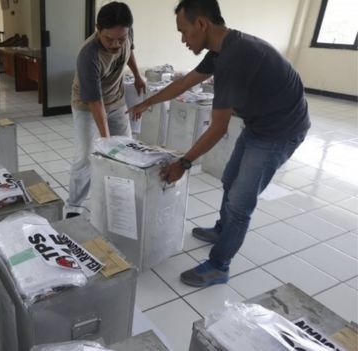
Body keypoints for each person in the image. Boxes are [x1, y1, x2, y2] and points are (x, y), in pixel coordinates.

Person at [128, 0, 310, 287]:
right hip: (259, 123)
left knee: (240, 202)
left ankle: (219, 265)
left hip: (280, 131)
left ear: (202, 24)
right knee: (230, 179)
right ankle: (223, 229)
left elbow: (218, 128)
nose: (183, 39)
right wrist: (146, 103)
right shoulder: (221, 48)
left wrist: (183, 164)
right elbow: (186, 82)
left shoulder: (234, 58)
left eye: (183, 31)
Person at [67, 1, 146, 218]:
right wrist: (106, 140)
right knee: (85, 156)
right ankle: (73, 207)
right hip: (87, 106)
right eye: (109, 39)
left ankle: (120, 200)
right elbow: (95, 102)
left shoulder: (125, 35)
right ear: (98, 29)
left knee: (126, 151)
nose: (115, 44)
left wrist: (138, 76)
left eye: (120, 38)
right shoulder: (88, 55)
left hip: (116, 101)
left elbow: (129, 51)